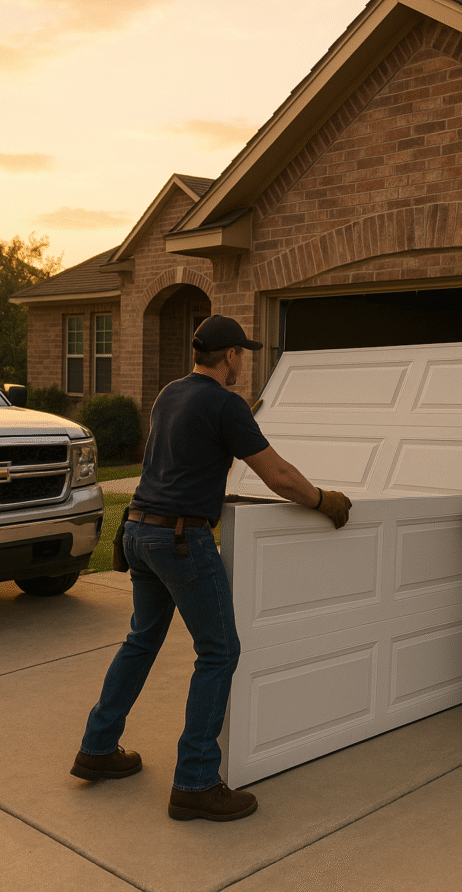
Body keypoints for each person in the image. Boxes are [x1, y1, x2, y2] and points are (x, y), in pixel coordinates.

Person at [70, 315, 352, 820]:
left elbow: (167, 460)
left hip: (139, 530)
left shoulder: (170, 394)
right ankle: (196, 781)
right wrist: (322, 499)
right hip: (182, 540)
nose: (244, 360)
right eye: (242, 352)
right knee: (220, 651)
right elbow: (278, 476)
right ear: (230, 357)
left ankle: (96, 748)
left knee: (141, 640)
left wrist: (130, 527)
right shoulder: (226, 403)